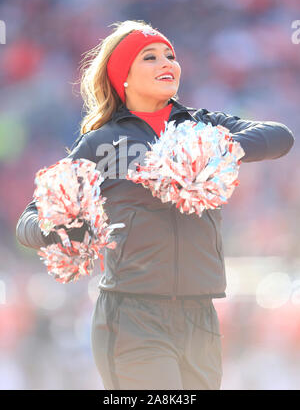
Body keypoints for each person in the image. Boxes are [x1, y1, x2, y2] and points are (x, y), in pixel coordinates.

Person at [16, 19, 295, 390]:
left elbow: (280, 136)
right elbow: (29, 219)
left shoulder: (202, 127)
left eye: (171, 55)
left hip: (200, 316)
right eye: (150, 57)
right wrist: (58, 228)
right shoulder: (101, 144)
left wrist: (214, 150)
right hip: (132, 316)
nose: (167, 63)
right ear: (124, 76)